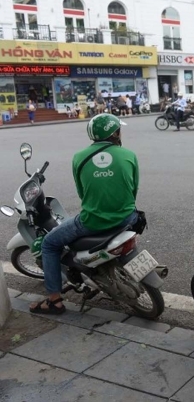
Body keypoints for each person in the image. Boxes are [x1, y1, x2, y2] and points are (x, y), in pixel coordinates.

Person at [29, 114, 139, 315]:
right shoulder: (129, 155)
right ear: (114, 133)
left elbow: (82, 192)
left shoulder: (79, 157)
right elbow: (133, 190)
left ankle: (54, 300)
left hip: (93, 221)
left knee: (49, 243)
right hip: (128, 217)